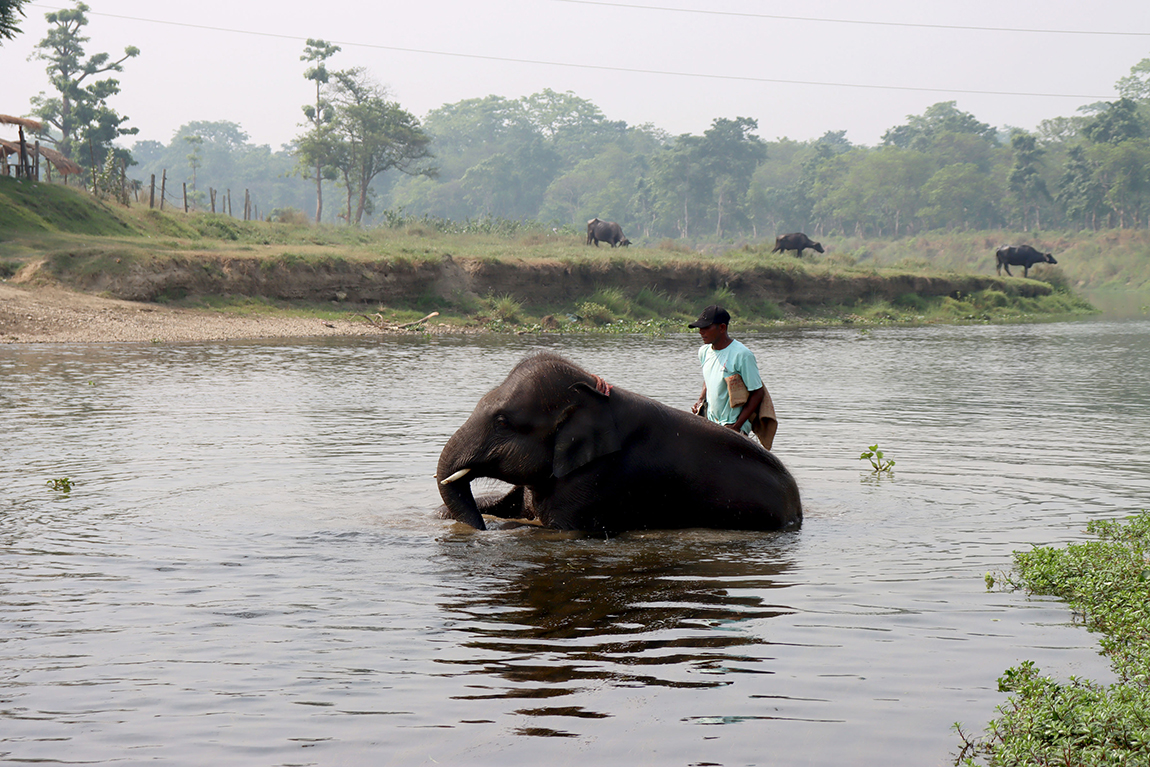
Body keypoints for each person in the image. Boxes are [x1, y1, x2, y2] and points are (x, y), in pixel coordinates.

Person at [689, 305, 766, 438]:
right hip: (711, 423)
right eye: (700, 328)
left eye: (706, 327)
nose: (701, 332)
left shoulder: (742, 355)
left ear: (722, 328)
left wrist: (736, 427)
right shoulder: (704, 352)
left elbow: (757, 392)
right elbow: (709, 377)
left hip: (732, 425)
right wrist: (700, 399)